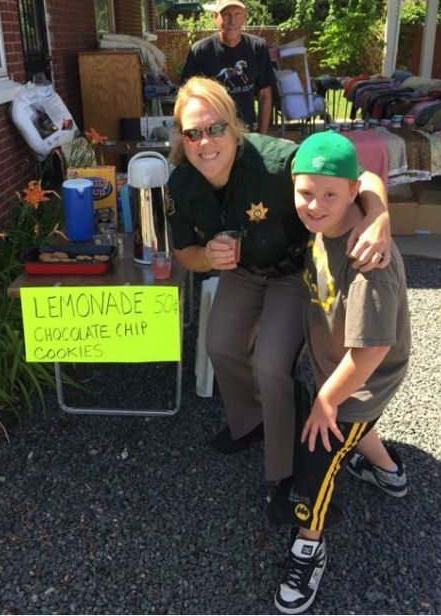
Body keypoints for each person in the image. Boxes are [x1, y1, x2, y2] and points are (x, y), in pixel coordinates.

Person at [165, 76, 392, 489]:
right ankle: (250, 421)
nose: (205, 142)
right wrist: (206, 256)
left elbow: (359, 176)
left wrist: (378, 217)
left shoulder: (275, 160)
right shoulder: (181, 183)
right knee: (219, 343)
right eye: (192, 133)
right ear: (182, 139)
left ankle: (285, 469)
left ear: (234, 126)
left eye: (215, 128)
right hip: (244, 270)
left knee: (270, 364)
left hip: (292, 270)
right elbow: (184, 253)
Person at [269, 131, 409, 615]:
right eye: (305, 192)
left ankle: (309, 543)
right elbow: (362, 176)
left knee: (318, 452)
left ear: (354, 192)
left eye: (330, 194)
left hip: (359, 377)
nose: (314, 204)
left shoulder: (368, 260)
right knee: (355, 431)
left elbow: (372, 351)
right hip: (339, 366)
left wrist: (326, 400)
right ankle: (390, 473)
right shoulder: (324, 227)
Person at [180, 0, 275, 133]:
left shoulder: (257, 47)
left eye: (237, 14)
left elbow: (265, 94)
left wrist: (263, 135)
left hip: (248, 131)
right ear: (215, 17)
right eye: (226, 15)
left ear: (245, 17)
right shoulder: (200, 51)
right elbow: (187, 97)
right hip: (215, 132)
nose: (232, 21)